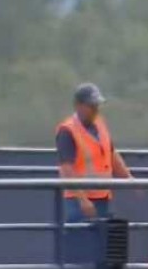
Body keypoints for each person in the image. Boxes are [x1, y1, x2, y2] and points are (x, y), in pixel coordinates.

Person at [56, 83, 133, 223]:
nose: (95, 109)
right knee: (81, 241)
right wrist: (83, 200)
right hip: (78, 202)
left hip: (102, 197)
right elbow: (66, 170)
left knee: (100, 242)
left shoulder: (100, 124)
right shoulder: (67, 130)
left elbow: (111, 154)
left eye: (97, 105)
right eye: (91, 106)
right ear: (79, 106)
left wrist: (129, 180)